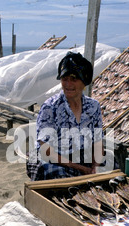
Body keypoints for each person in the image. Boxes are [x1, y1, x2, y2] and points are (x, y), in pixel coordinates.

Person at [27, 51, 106, 181]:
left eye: (74, 79)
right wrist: (81, 169)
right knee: (57, 174)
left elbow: (97, 142)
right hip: (53, 158)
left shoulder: (93, 106)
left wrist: (95, 167)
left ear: (84, 82)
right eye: (65, 79)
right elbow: (46, 150)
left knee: (111, 167)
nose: (68, 84)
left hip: (80, 156)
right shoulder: (50, 107)